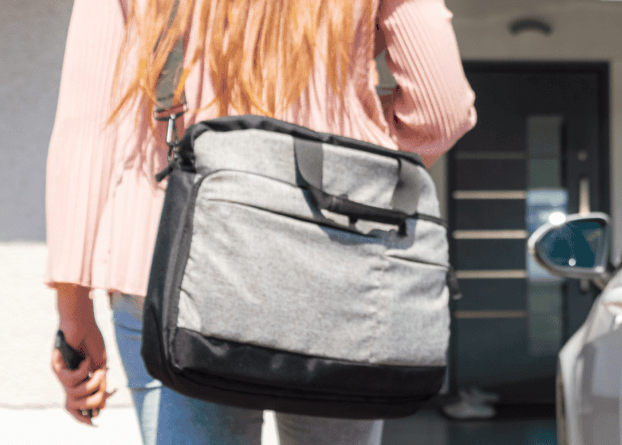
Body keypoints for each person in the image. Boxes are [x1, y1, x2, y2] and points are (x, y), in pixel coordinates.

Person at [44, 0, 476, 443]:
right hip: (335, 255)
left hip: (171, 268)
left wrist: (73, 313)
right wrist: (353, 139)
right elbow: (440, 115)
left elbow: (87, 135)